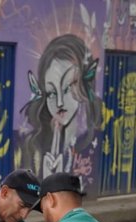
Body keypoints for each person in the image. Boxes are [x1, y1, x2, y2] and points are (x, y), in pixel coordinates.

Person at [22, 34, 102, 177]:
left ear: (84, 86)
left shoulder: (90, 142)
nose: (59, 102)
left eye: (66, 89)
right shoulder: (33, 145)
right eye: (51, 93)